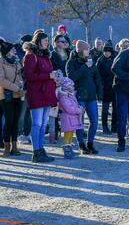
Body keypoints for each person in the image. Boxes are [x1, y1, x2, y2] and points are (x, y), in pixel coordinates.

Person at [22, 31, 58, 163]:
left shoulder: (45, 55)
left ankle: (41, 149)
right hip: (36, 94)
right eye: (45, 40)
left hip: (47, 93)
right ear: (38, 41)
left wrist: (54, 76)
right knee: (37, 124)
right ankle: (36, 152)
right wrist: (48, 76)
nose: (47, 42)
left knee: (43, 124)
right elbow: (29, 75)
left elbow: (47, 73)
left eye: (48, 40)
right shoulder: (31, 56)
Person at [66, 40, 102, 154]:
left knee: (94, 121)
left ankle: (90, 143)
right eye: (86, 49)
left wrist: (100, 93)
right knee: (79, 122)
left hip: (91, 96)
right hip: (79, 96)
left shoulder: (91, 61)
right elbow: (71, 78)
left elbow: (97, 78)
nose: (89, 51)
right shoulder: (71, 62)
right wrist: (85, 67)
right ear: (80, 50)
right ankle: (81, 144)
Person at [0, 40, 24, 156]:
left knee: (15, 121)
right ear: (7, 51)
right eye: (12, 49)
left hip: (17, 95)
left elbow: (20, 78)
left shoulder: (16, 62)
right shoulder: (1, 62)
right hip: (6, 96)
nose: (15, 50)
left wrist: (22, 88)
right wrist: (17, 89)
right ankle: (6, 147)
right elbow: (1, 80)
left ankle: (14, 147)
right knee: (8, 121)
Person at [56, 77, 83, 158]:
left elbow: (74, 105)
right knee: (67, 134)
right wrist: (79, 110)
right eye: (72, 86)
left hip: (72, 118)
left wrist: (79, 108)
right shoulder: (64, 97)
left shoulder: (70, 95)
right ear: (67, 87)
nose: (73, 87)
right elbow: (69, 109)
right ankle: (67, 151)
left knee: (71, 133)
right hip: (67, 118)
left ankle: (70, 149)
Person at [96, 40, 116, 134]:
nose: (106, 53)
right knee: (105, 108)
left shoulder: (115, 58)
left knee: (115, 108)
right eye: (105, 51)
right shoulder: (100, 60)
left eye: (108, 51)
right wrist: (100, 87)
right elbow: (97, 75)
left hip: (115, 86)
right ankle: (105, 126)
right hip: (105, 87)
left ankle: (114, 126)